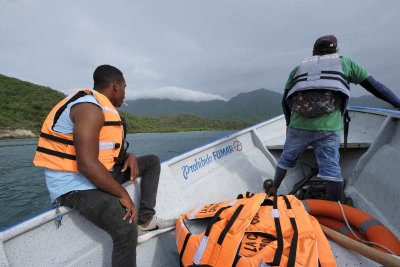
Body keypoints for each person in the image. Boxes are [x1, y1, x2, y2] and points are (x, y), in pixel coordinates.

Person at [33, 65, 175, 266]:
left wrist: (129, 156)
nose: (125, 94)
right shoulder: (89, 109)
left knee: (151, 162)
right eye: (124, 87)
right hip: (74, 185)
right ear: (115, 86)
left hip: (98, 173)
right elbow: (87, 165)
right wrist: (122, 194)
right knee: (126, 227)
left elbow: (104, 151)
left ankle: (145, 221)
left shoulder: (101, 107)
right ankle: (135, 227)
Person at [265, 35, 400, 202]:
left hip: (298, 126)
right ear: (336, 50)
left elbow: (285, 100)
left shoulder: (299, 67)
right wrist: (397, 103)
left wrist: (288, 123)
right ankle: (337, 209)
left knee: (286, 159)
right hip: (328, 128)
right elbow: (376, 87)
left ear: (314, 52)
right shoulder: (346, 63)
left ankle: (273, 189)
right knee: (330, 170)